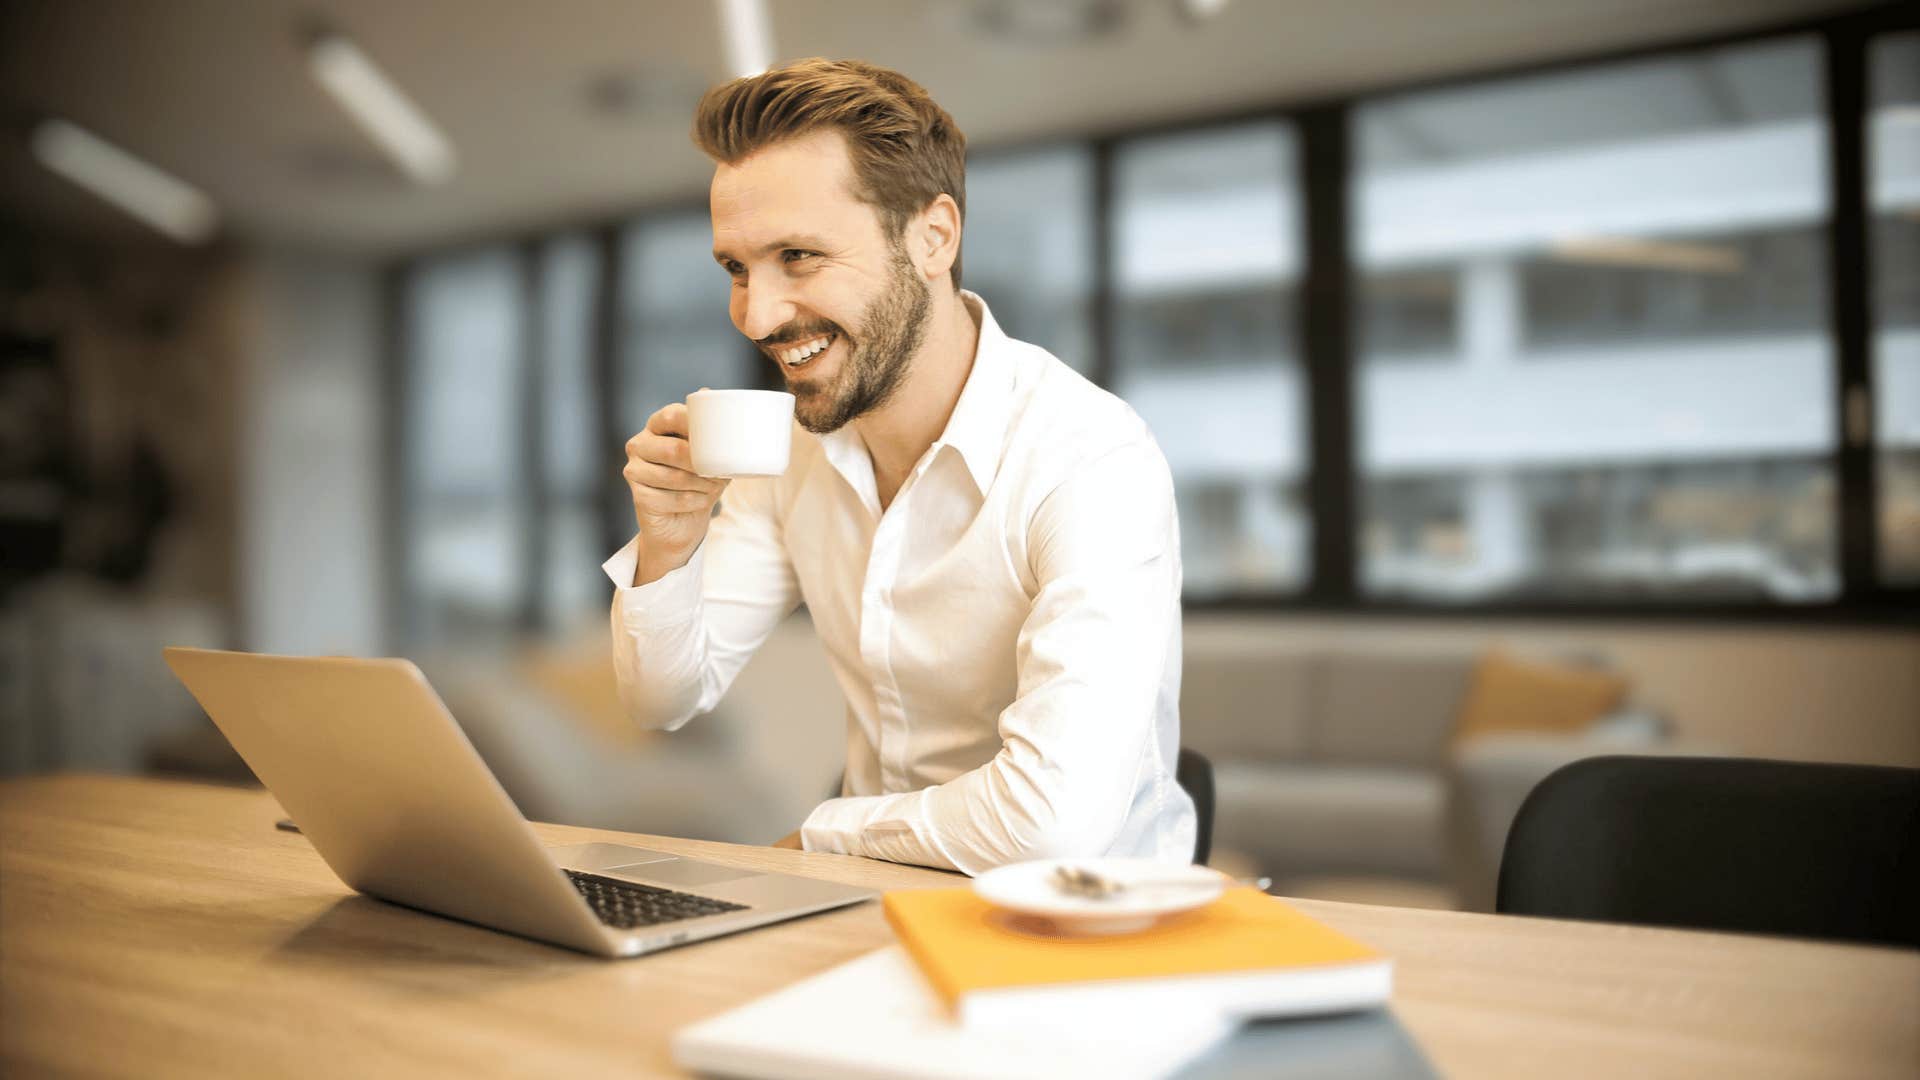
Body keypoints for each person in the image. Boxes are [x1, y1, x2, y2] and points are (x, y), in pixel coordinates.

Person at [603, 58, 1194, 874]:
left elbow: (1050, 823)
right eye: (737, 269)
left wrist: (824, 833)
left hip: (1082, 926)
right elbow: (662, 699)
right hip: (871, 907)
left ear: (933, 236)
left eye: (799, 256)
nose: (758, 315)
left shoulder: (1090, 458)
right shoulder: (795, 455)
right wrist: (668, 546)